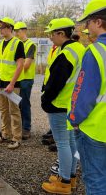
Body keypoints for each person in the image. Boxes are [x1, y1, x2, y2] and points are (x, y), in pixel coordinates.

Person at [41, 18, 85, 194]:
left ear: (61, 33)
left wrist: (46, 100)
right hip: (72, 104)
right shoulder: (79, 49)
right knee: (72, 142)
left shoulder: (66, 54)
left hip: (60, 104)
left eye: (53, 34)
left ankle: (64, 182)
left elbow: (57, 82)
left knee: (62, 144)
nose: (51, 37)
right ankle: (70, 176)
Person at [67, 0, 106, 194]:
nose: (86, 28)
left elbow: (84, 93)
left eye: (88, 23)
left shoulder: (96, 51)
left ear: (98, 22)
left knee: (96, 180)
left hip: (96, 130)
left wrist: (74, 118)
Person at [0, 17, 25, 149]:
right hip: (0, 83)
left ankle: (16, 138)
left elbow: (20, 65)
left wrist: (12, 83)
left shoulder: (18, 43)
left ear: (10, 28)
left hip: (12, 84)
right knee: (3, 110)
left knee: (14, 111)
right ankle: (5, 134)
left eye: (3, 27)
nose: (0, 30)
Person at [14, 22, 37, 140]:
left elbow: (26, 65)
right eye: (15, 31)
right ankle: (19, 127)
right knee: (16, 104)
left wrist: (16, 67)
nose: (16, 33)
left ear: (24, 31)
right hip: (17, 79)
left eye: (18, 31)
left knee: (25, 104)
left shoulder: (30, 45)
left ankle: (26, 128)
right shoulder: (16, 44)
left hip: (26, 79)